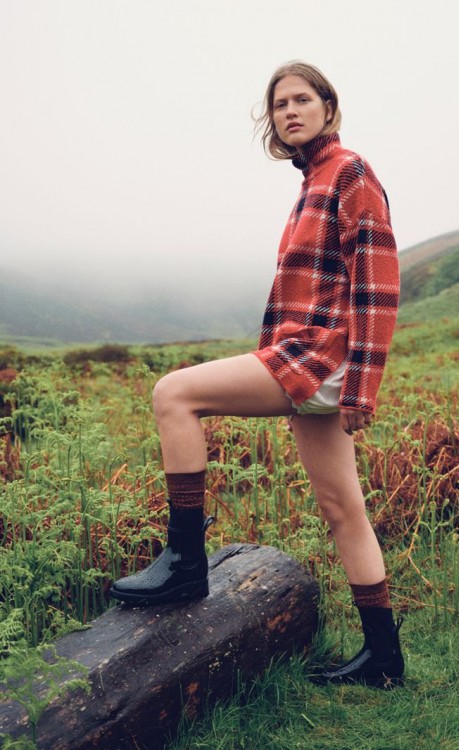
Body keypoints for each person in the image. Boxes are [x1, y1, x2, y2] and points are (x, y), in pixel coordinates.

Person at [109, 61, 404, 688]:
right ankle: (384, 659)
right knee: (342, 509)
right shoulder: (314, 179)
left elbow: (377, 284)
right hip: (308, 359)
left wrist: (361, 387)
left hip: (318, 358)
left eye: (302, 99)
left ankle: (186, 564)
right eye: (279, 104)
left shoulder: (350, 172)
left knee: (173, 394)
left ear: (328, 107)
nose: (290, 111)